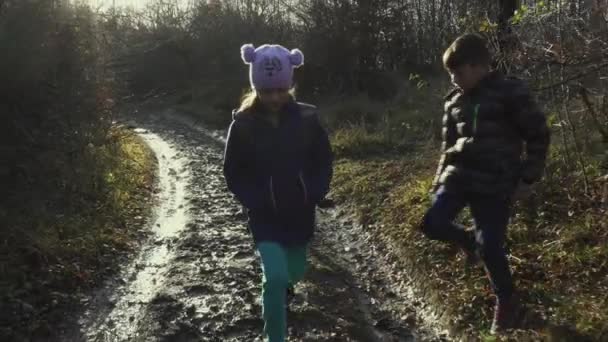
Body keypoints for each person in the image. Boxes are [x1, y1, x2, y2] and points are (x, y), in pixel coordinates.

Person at [420, 33, 550, 334]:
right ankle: (469, 243)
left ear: (479, 66)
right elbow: (448, 145)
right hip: (458, 178)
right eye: (450, 73)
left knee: (491, 245)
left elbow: (539, 134)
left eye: (458, 72)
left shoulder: (510, 92)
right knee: (432, 223)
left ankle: (508, 303)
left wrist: (528, 178)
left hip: (496, 182)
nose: (454, 79)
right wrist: (438, 180)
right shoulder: (453, 102)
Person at [223, 44, 333, 342]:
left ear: (290, 85)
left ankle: (284, 289)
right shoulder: (243, 125)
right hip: (264, 217)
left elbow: (323, 159)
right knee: (274, 278)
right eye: (267, 91)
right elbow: (233, 171)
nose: (274, 97)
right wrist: (255, 199)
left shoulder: (308, 120)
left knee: (294, 271)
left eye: (281, 90)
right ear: (256, 87)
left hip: (300, 212)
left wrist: (314, 190)